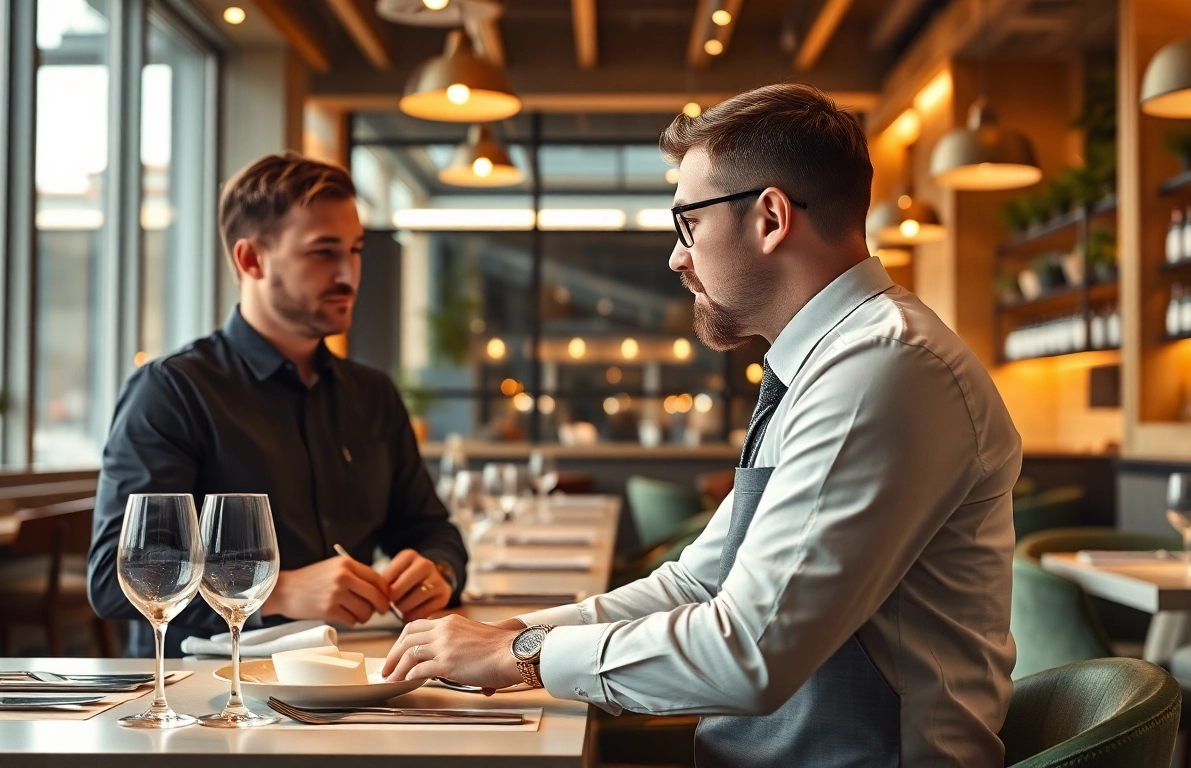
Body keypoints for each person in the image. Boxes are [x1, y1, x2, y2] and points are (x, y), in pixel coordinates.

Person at [381, 83, 1022, 766]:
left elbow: (750, 653)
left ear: (771, 217)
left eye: (688, 222)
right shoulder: (829, 364)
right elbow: (699, 584)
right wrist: (507, 633)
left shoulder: (884, 369)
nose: (675, 256)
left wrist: (521, 657)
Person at [89, 153, 468, 657]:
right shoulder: (172, 391)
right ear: (251, 260)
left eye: (354, 251)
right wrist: (279, 589)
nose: (348, 275)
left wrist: (436, 570)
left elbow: (430, 528)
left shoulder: (372, 394)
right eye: (323, 252)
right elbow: (116, 579)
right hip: (200, 700)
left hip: (346, 679)